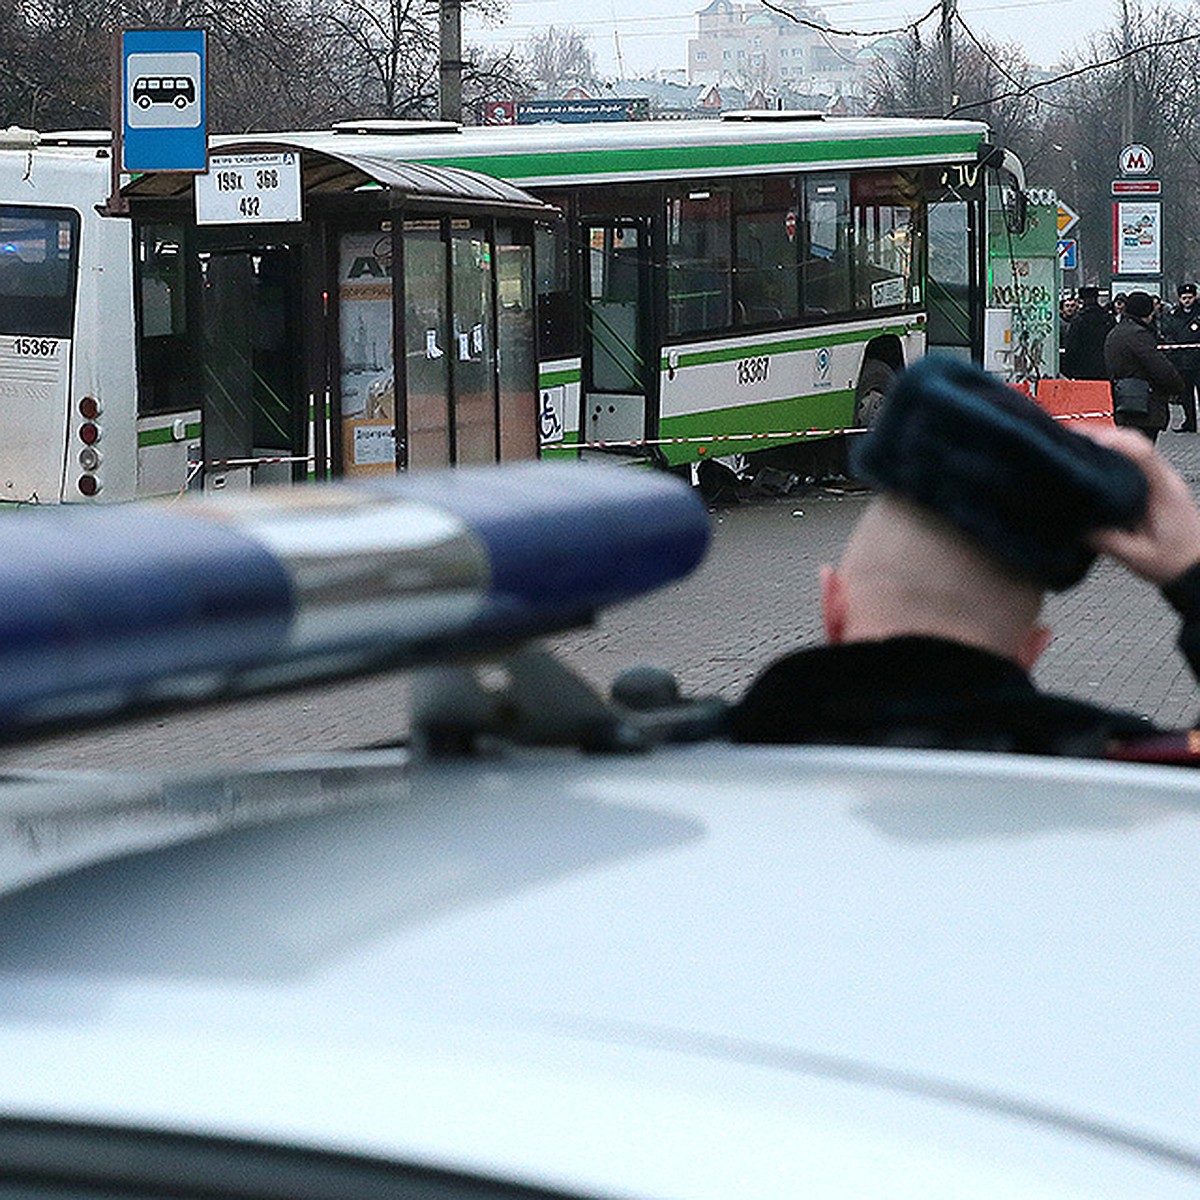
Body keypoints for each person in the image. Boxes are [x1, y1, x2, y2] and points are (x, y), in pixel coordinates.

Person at [729, 355, 1200, 758]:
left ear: (833, 607)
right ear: (1029, 652)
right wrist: (1190, 571)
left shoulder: (695, 762)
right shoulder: (1120, 778)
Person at [1104, 289, 1182, 444]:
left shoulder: (1116, 332)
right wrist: (1177, 386)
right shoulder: (1138, 335)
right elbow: (1160, 368)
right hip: (1143, 404)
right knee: (1141, 453)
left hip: (1123, 400)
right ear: (1147, 312)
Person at [1160, 282, 1200, 432]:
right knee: (1185, 394)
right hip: (1182, 361)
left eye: (1190, 297)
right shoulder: (1175, 314)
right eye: (1184, 298)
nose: (1187, 301)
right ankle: (1189, 422)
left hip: (1198, 361)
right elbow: (1169, 332)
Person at [1060, 284, 1113, 379]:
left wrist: (1069, 370)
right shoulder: (1107, 318)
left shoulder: (1078, 320)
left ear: (1082, 300)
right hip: (1103, 369)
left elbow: (1071, 346)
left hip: (1081, 369)